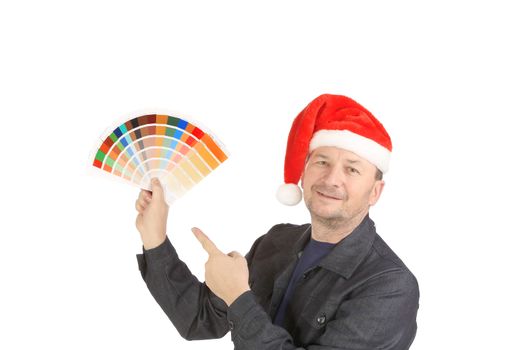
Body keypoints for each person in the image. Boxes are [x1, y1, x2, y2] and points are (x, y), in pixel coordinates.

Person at [135, 94, 419, 349]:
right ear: (304, 174)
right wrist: (154, 237)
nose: (332, 179)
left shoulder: (390, 286)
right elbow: (198, 319)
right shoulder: (277, 241)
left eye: (352, 169)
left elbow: (239, 304)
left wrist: (238, 296)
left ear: (375, 192)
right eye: (322, 162)